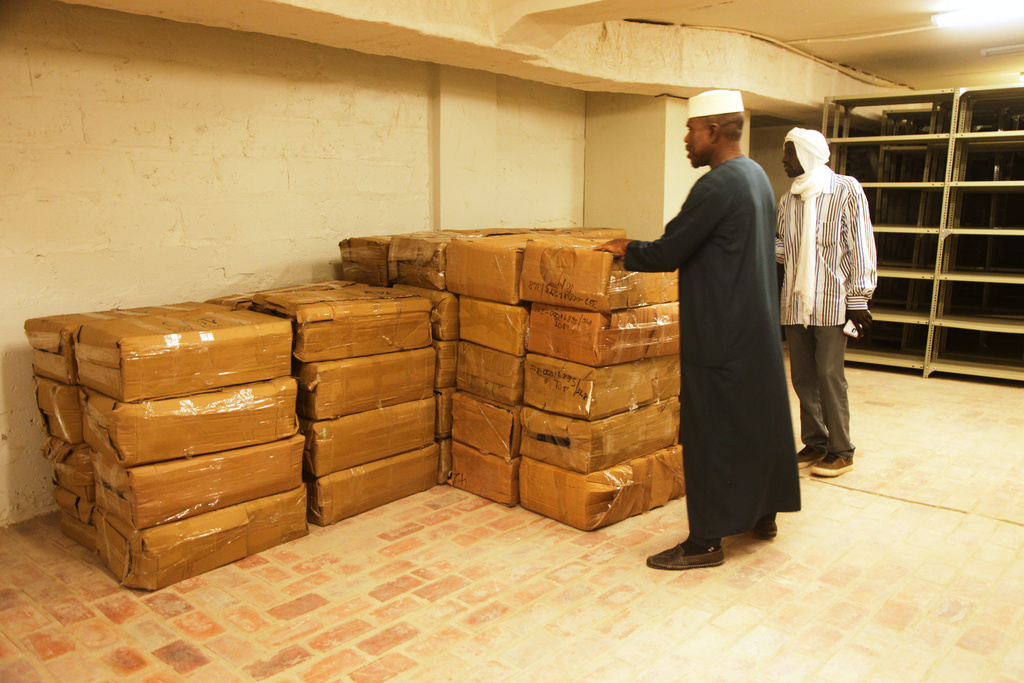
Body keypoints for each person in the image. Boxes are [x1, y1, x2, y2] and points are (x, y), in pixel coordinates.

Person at [596, 90, 800, 570]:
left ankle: (705, 541)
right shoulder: (755, 177)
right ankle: (763, 514)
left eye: (690, 131)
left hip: (720, 333)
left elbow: (669, 250)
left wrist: (625, 247)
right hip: (755, 331)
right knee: (757, 424)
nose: (686, 141)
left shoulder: (718, 184)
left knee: (711, 434)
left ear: (712, 131)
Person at [777, 128, 877, 478]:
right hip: (796, 302)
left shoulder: (845, 189)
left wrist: (859, 298)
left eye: (789, 152)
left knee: (829, 375)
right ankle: (816, 441)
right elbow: (785, 251)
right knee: (802, 377)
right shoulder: (788, 199)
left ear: (806, 153)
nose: (784, 159)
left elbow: (859, 244)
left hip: (833, 302)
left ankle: (842, 449)